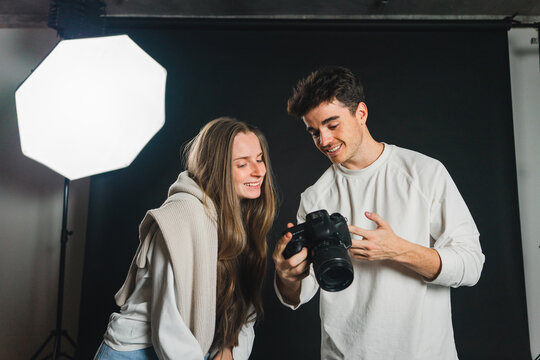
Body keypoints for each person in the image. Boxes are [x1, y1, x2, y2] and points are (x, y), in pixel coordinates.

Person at [272, 66, 485, 360]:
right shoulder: (315, 198)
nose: (324, 140)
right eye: (314, 132)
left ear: (361, 113)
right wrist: (286, 276)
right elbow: (299, 294)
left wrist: (399, 250)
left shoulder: (424, 173)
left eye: (332, 125)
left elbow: (472, 265)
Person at [94, 117, 277, 360]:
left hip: (195, 349)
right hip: (137, 352)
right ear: (217, 168)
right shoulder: (182, 215)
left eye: (259, 159)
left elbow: (243, 305)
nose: (259, 171)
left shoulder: (243, 216)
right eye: (242, 164)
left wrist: (229, 348)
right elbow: (169, 326)